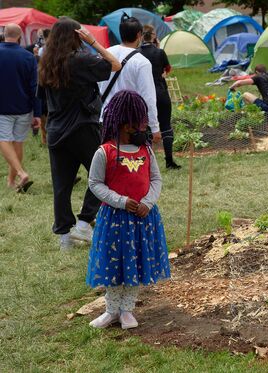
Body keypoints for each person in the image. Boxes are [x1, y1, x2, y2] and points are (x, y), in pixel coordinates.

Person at [87, 90, 171, 329]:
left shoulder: (146, 150)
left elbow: (156, 179)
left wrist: (148, 202)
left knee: (135, 262)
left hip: (142, 218)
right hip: (114, 219)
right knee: (115, 264)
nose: (143, 127)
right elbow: (95, 183)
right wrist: (121, 201)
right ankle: (111, 310)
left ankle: (127, 310)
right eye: (138, 122)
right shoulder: (105, 152)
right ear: (125, 125)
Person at [39, 17, 121, 251]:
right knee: (105, 173)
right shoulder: (81, 60)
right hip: (82, 127)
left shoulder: (45, 61)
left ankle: (65, 236)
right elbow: (115, 64)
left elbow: (43, 100)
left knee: (61, 185)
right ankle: (85, 223)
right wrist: (94, 42)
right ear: (77, 35)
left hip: (56, 130)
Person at [99, 14, 161, 144]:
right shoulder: (142, 62)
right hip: (129, 124)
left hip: (104, 119)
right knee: (129, 161)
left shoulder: (106, 53)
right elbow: (148, 97)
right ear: (139, 35)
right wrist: (154, 127)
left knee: (108, 159)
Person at [0, 24, 41, 193]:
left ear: (3, 35)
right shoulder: (28, 57)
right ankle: (11, 181)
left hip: (2, 107)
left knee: (3, 139)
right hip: (24, 107)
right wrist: (37, 113)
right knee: (18, 143)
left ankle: (21, 173)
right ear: (19, 38)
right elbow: (34, 87)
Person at [139, 25, 180, 169]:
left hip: (143, 95)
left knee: (145, 128)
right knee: (166, 126)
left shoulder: (137, 53)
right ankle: (169, 161)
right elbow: (167, 70)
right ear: (154, 35)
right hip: (160, 92)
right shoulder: (160, 52)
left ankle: (147, 164)